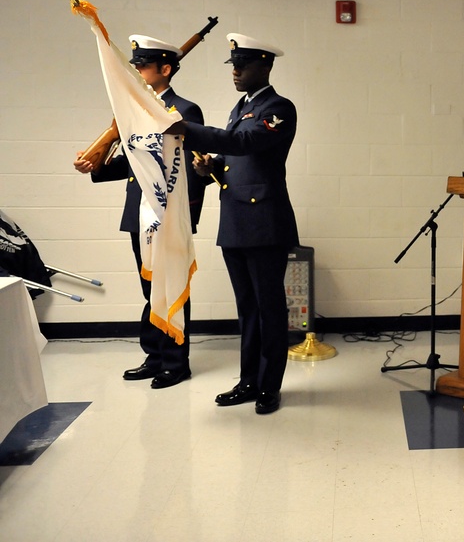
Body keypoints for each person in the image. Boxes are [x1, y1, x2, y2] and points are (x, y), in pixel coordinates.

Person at [166, 33, 298, 415]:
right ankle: (248, 381)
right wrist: (212, 168)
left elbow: (244, 144)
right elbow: (235, 160)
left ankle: (269, 387)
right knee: (248, 308)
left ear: (266, 66)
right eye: (234, 65)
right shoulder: (240, 106)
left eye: (243, 65)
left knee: (269, 307)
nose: (236, 71)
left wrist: (184, 128)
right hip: (237, 220)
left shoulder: (278, 108)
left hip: (265, 223)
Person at [74, 35, 205, 389]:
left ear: (165, 69)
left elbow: (191, 169)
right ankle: (155, 355)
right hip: (139, 212)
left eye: (143, 65)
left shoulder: (183, 111)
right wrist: (96, 166)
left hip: (168, 216)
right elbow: (135, 163)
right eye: (136, 65)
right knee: (149, 289)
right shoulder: (133, 108)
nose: (137, 71)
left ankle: (176, 363)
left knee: (171, 283)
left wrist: (184, 218)